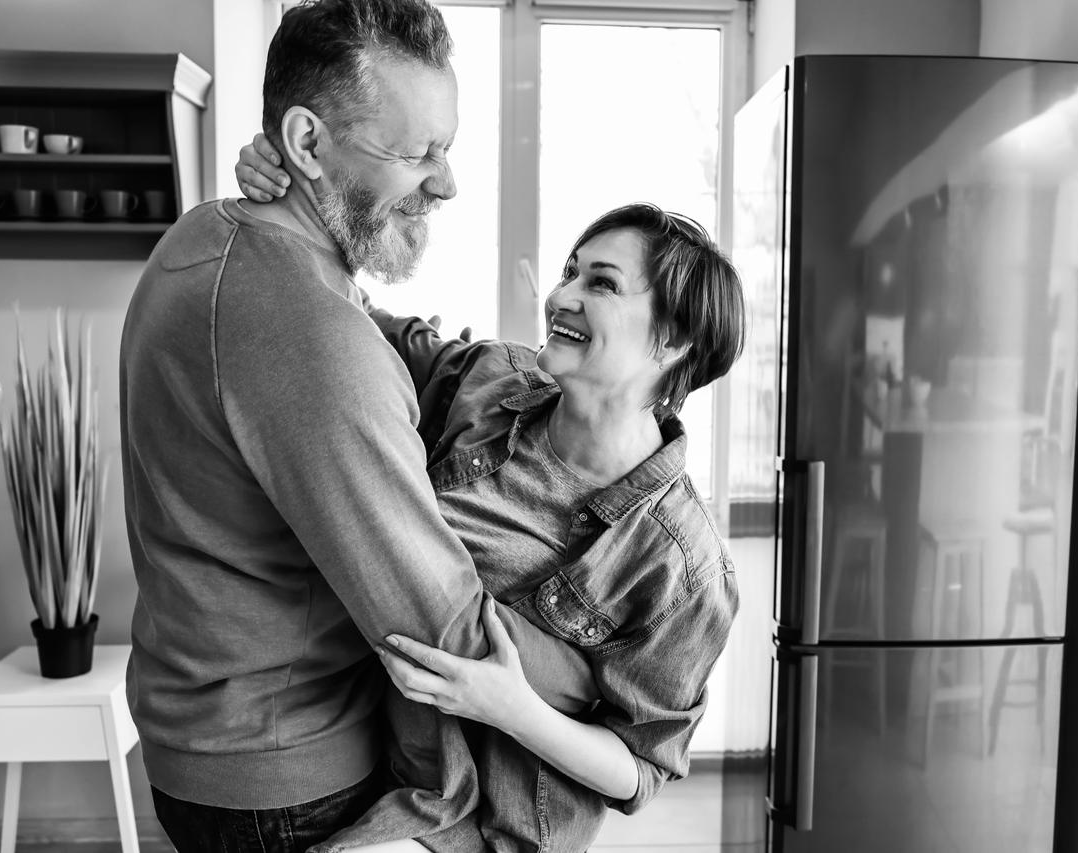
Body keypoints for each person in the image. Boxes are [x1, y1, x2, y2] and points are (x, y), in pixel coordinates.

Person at [119, 2, 597, 852]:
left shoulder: (207, 236)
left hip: (212, 749)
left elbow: (344, 330)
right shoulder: (307, 335)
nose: (446, 183)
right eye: (416, 152)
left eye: (445, 147)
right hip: (290, 785)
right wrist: (617, 682)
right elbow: (441, 629)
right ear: (305, 144)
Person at [248, 129, 744, 853]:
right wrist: (295, 186)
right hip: (365, 750)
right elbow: (344, 319)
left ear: (673, 340)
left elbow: (638, 770)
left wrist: (512, 706)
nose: (560, 294)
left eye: (600, 283)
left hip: (488, 824)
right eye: (571, 270)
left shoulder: (686, 565)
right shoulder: (488, 381)